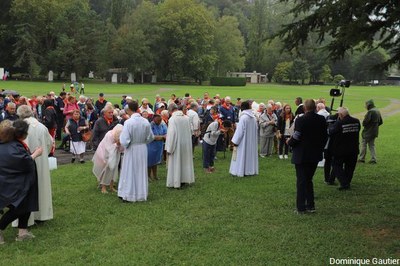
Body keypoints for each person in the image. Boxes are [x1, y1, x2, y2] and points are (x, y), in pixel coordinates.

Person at [0, 120, 43, 243]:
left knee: (27, 204)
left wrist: (31, 153)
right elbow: (23, 162)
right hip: (14, 183)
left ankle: (22, 232)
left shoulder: (13, 143)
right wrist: (35, 154)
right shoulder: (11, 146)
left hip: (23, 182)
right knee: (19, 208)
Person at [288, 99, 327, 214]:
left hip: (302, 154)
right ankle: (310, 205)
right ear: (315, 107)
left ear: (305, 108)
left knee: (301, 181)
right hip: (315, 154)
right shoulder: (321, 119)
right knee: (309, 180)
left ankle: (301, 207)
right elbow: (325, 136)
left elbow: (297, 136)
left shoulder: (301, 119)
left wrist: (289, 143)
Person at [16, 105, 53, 225]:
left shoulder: (19, 127)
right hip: (40, 160)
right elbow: (49, 143)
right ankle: (41, 215)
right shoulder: (42, 127)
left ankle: (26, 219)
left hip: (24, 162)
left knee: (25, 189)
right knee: (41, 186)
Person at [118, 101, 154, 202]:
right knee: (141, 170)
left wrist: (128, 143)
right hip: (142, 148)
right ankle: (140, 193)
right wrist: (143, 142)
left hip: (132, 148)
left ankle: (129, 194)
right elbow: (151, 137)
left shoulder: (128, 122)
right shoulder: (145, 121)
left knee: (130, 170)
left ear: (129, 110)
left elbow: (124, 140)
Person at [328, 107, 360, 190]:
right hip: (353, 148)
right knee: (350, 167)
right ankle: (347, 181)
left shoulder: (339, 123)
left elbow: (331, 131)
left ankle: (344, 183)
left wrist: (332, 124)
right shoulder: (356, 121)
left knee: (336, 165)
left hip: (341, 149)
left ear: (340, 115)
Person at [165, 103, 195, 188]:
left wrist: (169, 148)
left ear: (170, 111)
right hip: (186, 143)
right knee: (184, 162)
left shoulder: (173, 119)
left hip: (177, 144)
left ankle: (176, 181)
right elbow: (191, 130)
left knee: (177, 162)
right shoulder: (186, 118)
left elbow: (171, 134)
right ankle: (184, 179)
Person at [229, 100, 258, 177]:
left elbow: (240, 131)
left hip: (243, 142)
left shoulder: (243, 118)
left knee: (241, 156)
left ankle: (241, 170)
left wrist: (235, 141)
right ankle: (250, 170)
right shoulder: (254, 118)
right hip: (251, 141)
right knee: (249, 156)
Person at [92, 124, 124, 194]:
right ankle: (103, 187)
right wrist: (116, 144)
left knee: (114, 168)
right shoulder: (109, 135)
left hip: (115, 153)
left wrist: (119, 145)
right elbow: (108, 147)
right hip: (104, 152)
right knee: (106, 169)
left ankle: (111, 186)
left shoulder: (121, 136)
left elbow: (122, 148)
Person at [358, 99, 383, 164]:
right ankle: (373, 159)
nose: (365, 106)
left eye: (366, 105)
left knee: (363, 144)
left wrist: (368, 126)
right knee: (372, 145)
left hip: (367, 132)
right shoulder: (377, 110)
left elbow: (365, 122)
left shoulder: (370, 112)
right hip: (374, 131)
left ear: (369, 105)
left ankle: (361, 159)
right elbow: (381, 122)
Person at [147, 114, 167, 181]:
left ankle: (155, 175)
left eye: (160, 120)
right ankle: (148, 176)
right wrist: (161, 137)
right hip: (151, 146)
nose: (159, 121)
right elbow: (151, 137)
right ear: (154, 119)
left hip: (159, 146)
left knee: (155, 162)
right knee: (150, 162)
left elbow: (166, 133)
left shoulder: (162, 125)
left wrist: (161, 137)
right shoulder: (150, 126)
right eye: (158, 120)